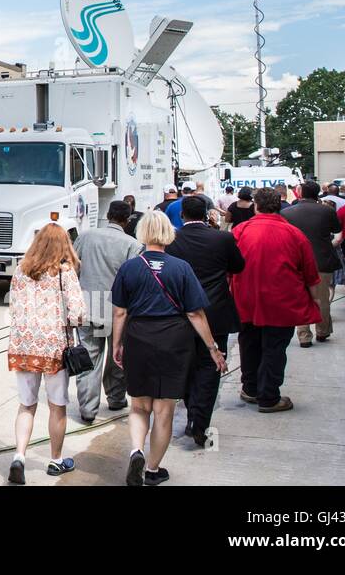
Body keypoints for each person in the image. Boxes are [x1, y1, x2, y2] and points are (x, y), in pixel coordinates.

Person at [111, 211, 225, 486]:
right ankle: (151, 469)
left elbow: (120, 313)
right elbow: (195, 314)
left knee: (139, 406)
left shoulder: (129, 267)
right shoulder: (181, 267)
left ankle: (137, 450)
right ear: (167, 233)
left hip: (139, 337)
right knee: (164, 410)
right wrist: (212, 347)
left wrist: (117, 344)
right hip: (174, 340)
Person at [6, 224, 87, 483]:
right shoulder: (65, 272)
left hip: (23, 346)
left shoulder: (21, 270)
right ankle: (55, 461)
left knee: (26, 405)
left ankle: (19, 456)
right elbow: (77, 313)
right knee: (57, 407)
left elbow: (13, 306)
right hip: (54, 349)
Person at [230, 188, 320, 413]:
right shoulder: (294, 234)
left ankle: (251, 388)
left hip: (246, 298)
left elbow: (228, 268)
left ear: (256, 206)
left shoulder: (240, 231)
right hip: (281, 301)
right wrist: (315, 299)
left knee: (249, 343)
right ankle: (268, 396)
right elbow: (309, 272)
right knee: (274, 347)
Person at [165, 195, 244, 447]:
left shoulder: (172, 241)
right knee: (210, 367)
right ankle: (200, 421)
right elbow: (238, 266)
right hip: (216, 311)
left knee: (187, 366)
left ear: (182, 216)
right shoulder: (222, 238)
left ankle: (192, 413)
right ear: (208, 214)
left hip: (181, 313)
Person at [72, 201, 135, 424]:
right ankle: (116, 398)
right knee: (117, 355)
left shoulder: (86, 237)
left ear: (107, 216)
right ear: (127, 221)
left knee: (89, 357)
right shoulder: (132, 245)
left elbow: (73, 267)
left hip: (88, 307)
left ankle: (88, 409)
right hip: (116, 311)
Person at [282, 181, 343, 346]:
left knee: (301, 299)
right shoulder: (327, 211)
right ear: (317, 194)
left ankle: (304, 336)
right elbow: (337, 230)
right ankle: (322, 332)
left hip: (297, 262)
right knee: (322, 299)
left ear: (300, 193)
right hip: (322, 260)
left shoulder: (287, 213)